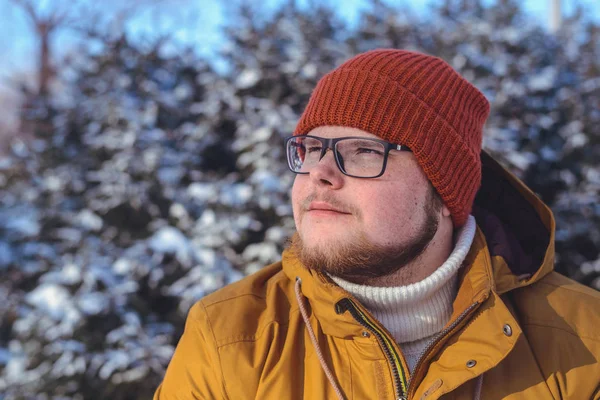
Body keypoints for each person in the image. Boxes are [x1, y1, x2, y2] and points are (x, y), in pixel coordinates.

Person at [153, 49, 600, 399]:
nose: (320, 172)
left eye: (363, 151)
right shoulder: (232, 336)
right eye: (311, 149)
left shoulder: (583, 340)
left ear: (445, 193)